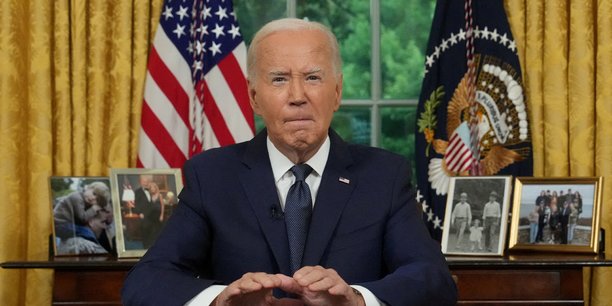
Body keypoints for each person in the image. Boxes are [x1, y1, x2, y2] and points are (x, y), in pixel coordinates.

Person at [122, 18, 457, 306]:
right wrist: (219, 298)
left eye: (313, 77)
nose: (298, 96)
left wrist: (356, 298)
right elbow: (146, 281)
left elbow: (432, 278)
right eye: (279, 79)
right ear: (254, 96)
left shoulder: (384, 175)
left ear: (337, 92)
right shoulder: (211, 176)